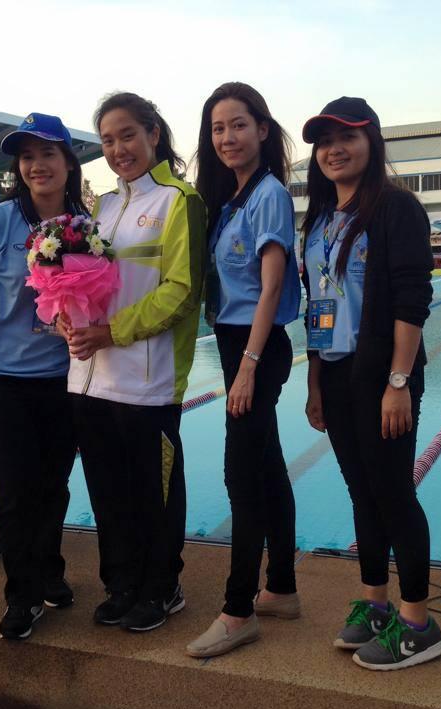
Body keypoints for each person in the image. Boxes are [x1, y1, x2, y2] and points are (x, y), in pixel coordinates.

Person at [300, 97, 441, 670]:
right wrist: (314, 383)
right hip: (336, 375)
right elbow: (318, 308)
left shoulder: (395, 208)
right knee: (362, 492)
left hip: (383, 376)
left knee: (393, 493)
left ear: (372, 142)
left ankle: (418, 623)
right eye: (324, 140)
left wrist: (398, 381)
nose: (334, 149)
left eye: (347, 137)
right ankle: (376, 604)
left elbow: (412, 297)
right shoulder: (319, 220)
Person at [58, 92, 205, 633]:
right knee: (108, 492)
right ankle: (121, 584)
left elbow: (182, 291)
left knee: (153, 494)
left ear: (153, 135)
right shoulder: (99, 208)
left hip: (147, 381)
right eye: (107, 140)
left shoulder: (179, 200)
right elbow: (82, 282)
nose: (118, 149)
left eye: (127, 136)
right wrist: (67, 316)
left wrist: (111, 332)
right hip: (89, 378)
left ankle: (162, 588)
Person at [186, 83, 301, 658]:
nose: (227, 137)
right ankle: (281, 587)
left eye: (238, 124)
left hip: (257, 344)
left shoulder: (269, 194)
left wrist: (249, 366)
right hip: (236, 342)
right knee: (267, 464)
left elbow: (271, 285)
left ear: (262, 129)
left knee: (242, 473)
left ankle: (238, 611)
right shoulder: (232, 197)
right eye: (217, 128)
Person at [0, 112, 84, 640]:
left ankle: (49, 570)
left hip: (61, 378)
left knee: (53, 486)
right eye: (27, 157)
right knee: (14, 490)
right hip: (1, 379)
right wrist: (0, 337)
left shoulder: (85, 225)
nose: (36, 165)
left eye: (47, 154)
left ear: (68, 161)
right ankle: (23, 596)